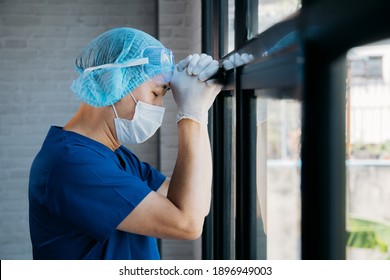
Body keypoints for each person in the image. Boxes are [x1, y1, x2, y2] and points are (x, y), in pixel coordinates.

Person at [28, 27, 251, 260]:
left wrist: (198, 110)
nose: (160, 107)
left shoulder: (114, 156)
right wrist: (192, 116)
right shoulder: (73, 164)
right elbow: (187, 223)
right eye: (156, 93)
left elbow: (198, 204)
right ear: (111, 83)